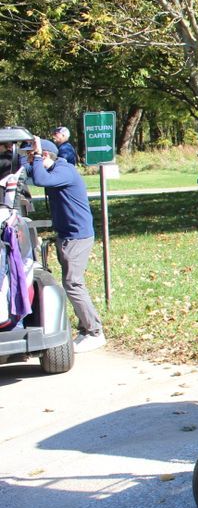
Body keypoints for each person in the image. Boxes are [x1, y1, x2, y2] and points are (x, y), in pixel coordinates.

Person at [26, 138, 105, 352]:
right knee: (72, 282)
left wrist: (38, 154)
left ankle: (95, 332)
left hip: (77, 236)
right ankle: (85, 328)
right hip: (67, 235)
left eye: (32, 156)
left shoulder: (65, 171)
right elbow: (31, 173)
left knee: (73, 283)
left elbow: (40, 179)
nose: (29, 160)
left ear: (46, 156)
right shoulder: (54, 171)